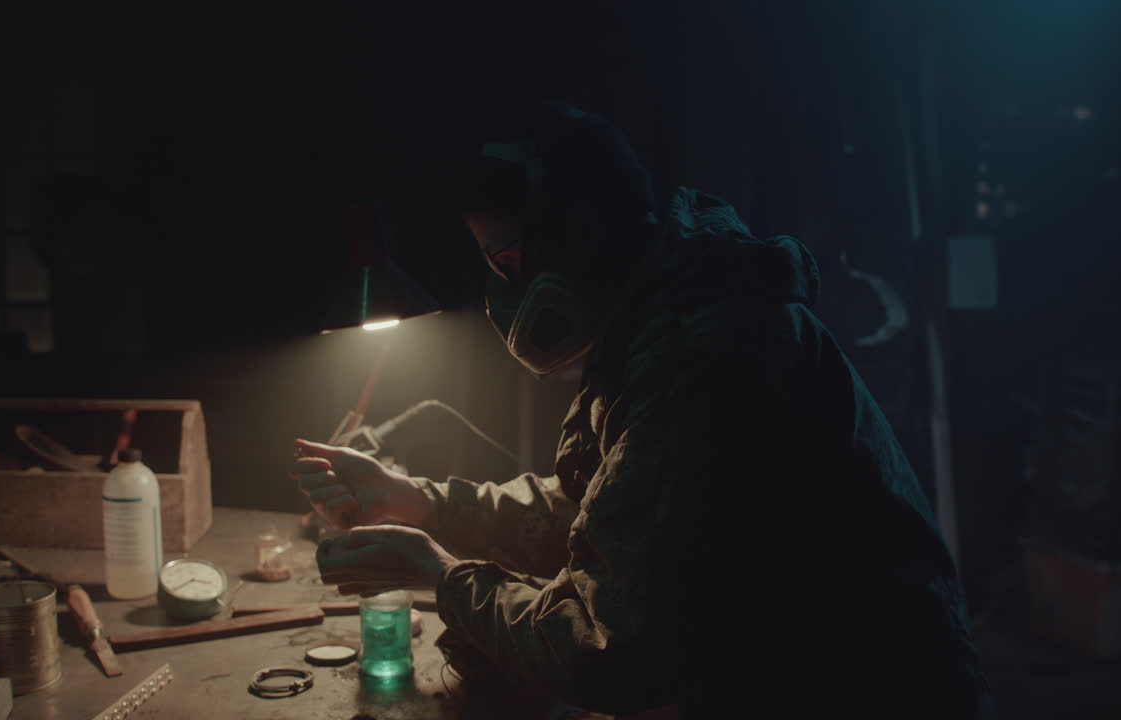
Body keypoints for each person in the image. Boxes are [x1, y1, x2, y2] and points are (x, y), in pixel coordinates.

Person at [290, 102, 994, 718]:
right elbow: (603, 512)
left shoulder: (710, 353)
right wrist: (423, 503)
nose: (505, 293)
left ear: (581, 231)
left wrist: (438, 572)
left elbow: (609, 648)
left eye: (508, 262)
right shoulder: (659, 318)